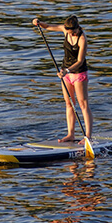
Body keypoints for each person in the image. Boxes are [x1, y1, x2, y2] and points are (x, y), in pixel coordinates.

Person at [32, 15, 93, 143]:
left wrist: (67, 70)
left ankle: (87, 136)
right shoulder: (65, 30)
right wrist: (38, 23)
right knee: (69, 104)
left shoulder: (82, 39)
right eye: (71, 33)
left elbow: (80, 61)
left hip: (78, 73)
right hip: (65, 74)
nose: (73, 34)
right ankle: (70, 134)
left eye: (74, 32)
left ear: (78, 28)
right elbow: (48, 26)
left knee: (83, 104)